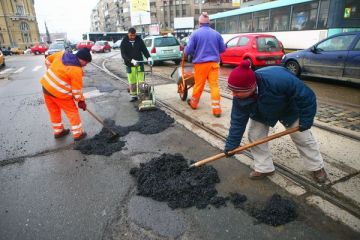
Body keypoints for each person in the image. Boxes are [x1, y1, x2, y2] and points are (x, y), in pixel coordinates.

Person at [224, 60, 327, 183]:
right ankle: (264, 168)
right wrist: (232, 145)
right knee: (255, 136)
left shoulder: (279, 80)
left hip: (289, 108)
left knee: (302, 137)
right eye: (232, 90)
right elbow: (237, 121)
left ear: (251, 87)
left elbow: (307, 96)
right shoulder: (239, 97)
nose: (233, 95)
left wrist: (306, 119)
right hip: (261, 111)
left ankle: (317, 167)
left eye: (237, 91)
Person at [40, 48, 92, 141]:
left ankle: (58, 131)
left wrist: (51, 71)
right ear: (81, 59)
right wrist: (81, 101)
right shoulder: (76, 70)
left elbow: (47, 59)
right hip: (59, 93)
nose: (86, 64)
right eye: (86, 62)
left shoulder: (61, 54)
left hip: (46, 88)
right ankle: (78, 134)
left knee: (54, 111)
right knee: (72, 112)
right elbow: (76, 91)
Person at [184, 12, 226, 117]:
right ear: (209, 23)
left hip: (201, 65)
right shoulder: (216, 34)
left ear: (199, 23)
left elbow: (188, 50)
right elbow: (223, 49)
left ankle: (193, 103)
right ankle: (217, 110)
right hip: (214, 64)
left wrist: (187, 51)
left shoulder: (195, 34)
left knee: (199, 84)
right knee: (214, 86)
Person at [120, 28, 152, 102]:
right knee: (132, 81)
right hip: (129, 65)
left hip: (139, 64)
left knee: (141, 81)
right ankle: (133, 95)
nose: (133, 37)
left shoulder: (139, 40)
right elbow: (123, 54)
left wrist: (149, 57)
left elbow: (144, 50)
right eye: (131, 35)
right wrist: (131, 60)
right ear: (128, 34)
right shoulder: (124, 41)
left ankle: (142, 95)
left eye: (134, 35)